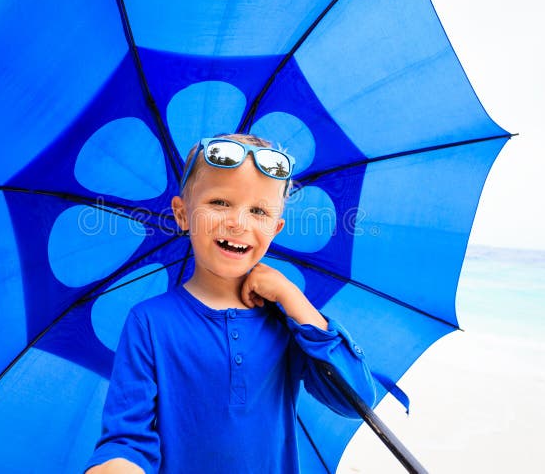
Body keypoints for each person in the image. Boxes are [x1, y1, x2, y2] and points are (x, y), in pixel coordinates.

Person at [84, 133, 377, 474]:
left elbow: (356, 399)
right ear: (182, 213)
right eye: (220, 203)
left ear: (275, 227)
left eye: (258, 211)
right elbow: (127, 438)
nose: (238, 222)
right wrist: (118, 465)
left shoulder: (285, 321)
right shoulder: (149, 322)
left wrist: (293, 299)